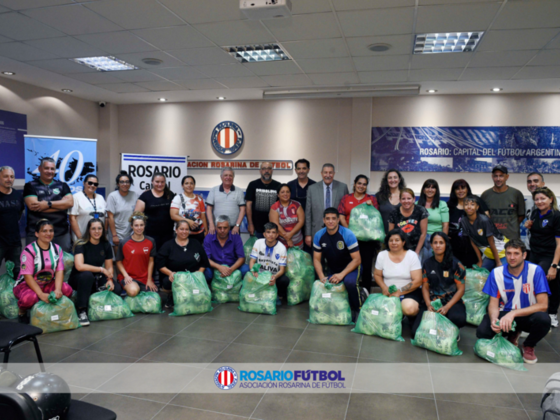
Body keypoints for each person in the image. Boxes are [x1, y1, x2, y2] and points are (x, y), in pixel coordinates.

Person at [476, 239, 551, 364]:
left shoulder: (536, 271)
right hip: (505, 313)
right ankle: (513, 332)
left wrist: (513, 313)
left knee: (544, 320)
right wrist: (494, 319)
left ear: (524, 255)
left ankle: (528, 345)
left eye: (516, 253)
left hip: (527, 315)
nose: (512, 257)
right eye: (509, 253)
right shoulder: (496, 273)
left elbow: (543, 305)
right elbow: (493, 304)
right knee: (482, 333)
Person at [13, 220, 73, 324]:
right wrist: (40, 294)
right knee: (29, 299)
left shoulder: (57, 249)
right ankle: (22, 312)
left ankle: (47, 308)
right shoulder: (29, 251)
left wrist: (58, 289)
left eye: (51, 231)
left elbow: (59, 271)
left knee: (67, 290)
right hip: (26, 284)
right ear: (37, 234)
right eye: (44, 231)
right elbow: (27, 277)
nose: (48, 234)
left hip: (47, 283)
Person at [412, 232, 466, 338]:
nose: (438, 245)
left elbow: (461, 290)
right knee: (415, 333)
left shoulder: (457, 265)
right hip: (433, 301)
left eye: (441, 242)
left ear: (446, 244)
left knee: (458, 319)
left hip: (451, 302)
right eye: (435, 242)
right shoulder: (427, 263)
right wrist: (428, 304)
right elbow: (425, 287)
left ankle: (454, 328)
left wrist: (446, 307)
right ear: (431, 245)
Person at [313, 208, 364, 318]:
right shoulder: (319, 235)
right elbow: (316, 259)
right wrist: (322, 277)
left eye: (333, 219)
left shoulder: (348, 234)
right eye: (328, 219)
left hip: (352, 267)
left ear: (338, 220)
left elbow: (357, 260)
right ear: (323, 220)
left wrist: (341, 274)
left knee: (349, 282)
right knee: (324, 285)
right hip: (334, 269)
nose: (330, 221)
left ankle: (358, 309)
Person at [70, 219, 120, 326]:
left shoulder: (106, 244)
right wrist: (101, 270)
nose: (96, 231)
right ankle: (82, 310)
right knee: (87, 275)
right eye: (93, 228)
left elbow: (109, 267)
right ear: (88, 230)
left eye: (99, 228)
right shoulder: (81, 244)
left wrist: (110, 280)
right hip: (79, 278)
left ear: (103, 230)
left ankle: (94, 301)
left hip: (96, 277)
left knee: (117, 288)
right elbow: (79, 266)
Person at [338, 175, 380, 292]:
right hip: (348, 238)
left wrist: (371, 208)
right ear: (355, 184)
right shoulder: (346, 198)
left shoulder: (371, 199)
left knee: (366, 266)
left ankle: (365, 292)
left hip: (366, 239)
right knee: (349, 264)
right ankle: (348, 291)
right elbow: (341, 217)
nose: (361, 186)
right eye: (359, 183)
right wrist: (349, 233)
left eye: (364, 184)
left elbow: (375, 218)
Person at [525, 187, 560, 328]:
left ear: (551, 199)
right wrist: (528, 225)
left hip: (549, 255)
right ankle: (532, 313)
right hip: (534, 253)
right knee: (529, 282)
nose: (540, 202)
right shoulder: (535, 213)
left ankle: (551, 314)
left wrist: (554, 266)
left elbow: (559, 244)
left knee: (551, 282)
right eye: (537, 199)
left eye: (543, 198)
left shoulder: (556, 216)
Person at [23, 157, 74, 252]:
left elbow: (70, 203)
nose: (49, 171)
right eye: (46, 168)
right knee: (37, 264)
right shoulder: (30, 186)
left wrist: (47, 204)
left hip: (60, 233)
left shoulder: (63, 186)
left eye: (52, 169)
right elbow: (34, 207)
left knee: (63, 264)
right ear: (40, 168)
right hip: (36, 233)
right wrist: (61, 205)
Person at [157, 220, 210, 308]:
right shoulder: (168, 245)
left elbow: (204, 262)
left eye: (186, 229)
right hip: (176, 277)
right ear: (176, 230)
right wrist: (170, 273)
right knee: (167, 282)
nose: (184, 232)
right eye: (181, 229)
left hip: (193, 276)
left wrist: (198, 275)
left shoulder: (195, 243)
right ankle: (173, 296)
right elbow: (160, 264)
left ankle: (194, 294)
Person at [374, 229, 423, 324]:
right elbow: (377, 274)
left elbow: (418, 281)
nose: (393, 243)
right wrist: (384, 288)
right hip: (389, 292)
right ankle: (398, 315)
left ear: (403, 242)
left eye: (397, 240)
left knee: (409, 309)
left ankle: (411, 315)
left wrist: (399, 292)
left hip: (409, 292)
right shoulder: (382, 255)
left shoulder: (411, 255)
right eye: (391, 240)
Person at [305, 164, 349, 248]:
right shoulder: (312, 188)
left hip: (337, 230)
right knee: (318, 256)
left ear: (334, 173)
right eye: (325, 172)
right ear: (321, 173)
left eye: (330, 173)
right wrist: (308, 234)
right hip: (317, 229)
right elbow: (308, 213)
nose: (328, 175)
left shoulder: (342, 187)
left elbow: (345, 211)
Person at [447, 179, 489, 267]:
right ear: (454, 191)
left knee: (472, 274)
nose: (460, 191)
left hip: (473, 247)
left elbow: (486, 219)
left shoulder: (476, 201)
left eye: (463, 188)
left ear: (467, 189)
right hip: (454, 247)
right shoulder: (449, 206)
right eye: (457, 189)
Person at [115, 212, 158, 297]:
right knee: (133, 291)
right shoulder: (124, 243)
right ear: (131, 226)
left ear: (145, 225)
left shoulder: (151, 241)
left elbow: (151, 261)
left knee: (154, 299)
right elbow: (118, 261)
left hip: (144, 278)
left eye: (141, 225)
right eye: (136, 225)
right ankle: (129, 289)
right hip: (129, 277)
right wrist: (126, 276)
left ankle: (140, 289)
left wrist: (149, 280)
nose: (139, 228)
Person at [461, 196, 508, 270]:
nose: (469, 207)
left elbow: (491, 242)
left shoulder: (484, 220)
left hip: (502, 252)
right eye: (466, 204)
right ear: (463, 207)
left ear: (477, 207)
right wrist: (480, 261)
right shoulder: (463, 221)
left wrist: (498, 262)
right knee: (480, 273)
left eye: (472, 204)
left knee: (500, 272)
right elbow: (472, 242)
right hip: (489, 255)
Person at [481, 165, 525, 240]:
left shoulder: (516, 193)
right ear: (492, 177)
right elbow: (482, 217)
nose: (498, 179)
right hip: (493, 238)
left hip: (512, 238)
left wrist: (511, 226)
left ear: (507, 177)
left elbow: (521, 215)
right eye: (495, 176)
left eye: (501, 176)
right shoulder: (485, 195)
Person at [134, 172, 175, 253]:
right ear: (152, 182)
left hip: (168, 234)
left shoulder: (170, 195)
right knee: (152, 257)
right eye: (157, 181)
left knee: (166, 256)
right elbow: (136, 216)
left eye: (162, 182)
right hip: (150, 235)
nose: (160, 184)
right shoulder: (145, 196)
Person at [249, 222, 289, 304]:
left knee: (285, 280)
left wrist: (274, 277)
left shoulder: (282, 248)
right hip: (260, 275)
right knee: (246, 271)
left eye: (273, 232)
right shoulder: (258, 243)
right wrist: (253, 271)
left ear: (277, 235)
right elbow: (252, 261)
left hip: (273, 276)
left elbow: (282, 270)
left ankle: (279, 294)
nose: (271, 235)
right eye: (268, 232)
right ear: (264, 234)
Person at [203, 215, 249, 283]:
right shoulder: (209, 237)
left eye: (225, 228)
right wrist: (219, 267)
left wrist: (230, 270)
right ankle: (211, 287)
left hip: (232, 265)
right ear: (215, 227)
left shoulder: (235, 236)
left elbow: (241, 258)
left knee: (246, 269)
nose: (222, 230)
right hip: (215, 266)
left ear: (229, 228)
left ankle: (238, 286)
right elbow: (206, 259)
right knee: (206, 272)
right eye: (219, 228)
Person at [388, 188, 428, 258]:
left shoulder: (421, 211)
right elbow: (391, 234)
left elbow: (423, 233)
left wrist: (417, 252)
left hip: (417, 248)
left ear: (414, 199)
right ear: (400, 200)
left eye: (409, 198)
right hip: (398, 249)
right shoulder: (393, 212)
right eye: (403, 199)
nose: (406, 201)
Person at [0, 166, 24, 278]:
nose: (9, 179)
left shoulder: (18, 195)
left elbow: (18, 214)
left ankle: (12, 295)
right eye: (5, 176)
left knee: (17, 274)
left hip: (14, 242)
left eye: (12, 177)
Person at [245, 162, 281, 238]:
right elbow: (248, 205)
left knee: (273, 249)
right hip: (256, 227)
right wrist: (250, 224)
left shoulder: (278, 185)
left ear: (272, 170)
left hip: (274, 228)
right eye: (264, 168)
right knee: (257, 249)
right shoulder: (253, 185)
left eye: (269, 168)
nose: (266, 171)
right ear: (260, 171)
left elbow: (281, 206)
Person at [206, 168, 245, 235]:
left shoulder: (239, 191)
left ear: (233, 177)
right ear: (221, 177)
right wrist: (211, 224)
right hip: (217, 228)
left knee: (234, 245)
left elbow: (243, 210)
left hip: (233, 229)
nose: (228, 177)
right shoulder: (213, 190)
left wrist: (237, 226)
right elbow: (209, 209)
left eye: (230, 175)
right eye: (226, 175)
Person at [106, 171, 138, 255]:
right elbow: (110, 217)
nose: (125, 184)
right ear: (118, 184)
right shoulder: (112, 196)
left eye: (127, 182)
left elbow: (137, 214)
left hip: (131, 233)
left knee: (130, 258)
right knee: (119, 259)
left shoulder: (135, 195)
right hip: (117, 234)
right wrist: (114, 235)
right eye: (122, 182)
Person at [69, 174, 107, 242]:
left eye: (95, 184)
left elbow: (106, 217)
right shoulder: (76, 197)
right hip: (82, 237)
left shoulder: (100, 197)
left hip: (98, 238)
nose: (92, 185)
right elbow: (72, 219)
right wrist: (80, 237)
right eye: (90, 183)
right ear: (84, 183)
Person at [170, 175, 207, 244]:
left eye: (191, 183)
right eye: (186, 183)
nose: (189, 185)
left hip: (198, 233)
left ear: (194, 185)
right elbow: (173, 215)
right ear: (182, 185)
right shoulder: (178, 198)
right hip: (182, 233)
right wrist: (188, 221)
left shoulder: (199, 199)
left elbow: (203, 216)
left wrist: (206, 231)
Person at [269, 184, 304, 249]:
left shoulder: (297, 205)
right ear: (278, 195)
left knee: (297, 258)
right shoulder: (274, 207)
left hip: (298, 241)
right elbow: (275, 225)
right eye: (282, 192)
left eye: (287, 192)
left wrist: (290, 234)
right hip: (281, 243)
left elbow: (301, 221)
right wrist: (288, 239)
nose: (285, 194)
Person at [375, 169, 405, 234]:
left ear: (399, 180)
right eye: (390, 178)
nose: (393, 180)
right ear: (386, 180)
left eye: (395, 177)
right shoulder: (379, 196)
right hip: (382, 235)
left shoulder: (405, 195)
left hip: (401, 236)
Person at [523, 172, 545, 258]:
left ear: (543, 184)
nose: (532, 184)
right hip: (530, 247)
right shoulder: (527, 202)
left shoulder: (555, 202)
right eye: (529, 182)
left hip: (548, 249)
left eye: (536, 181)